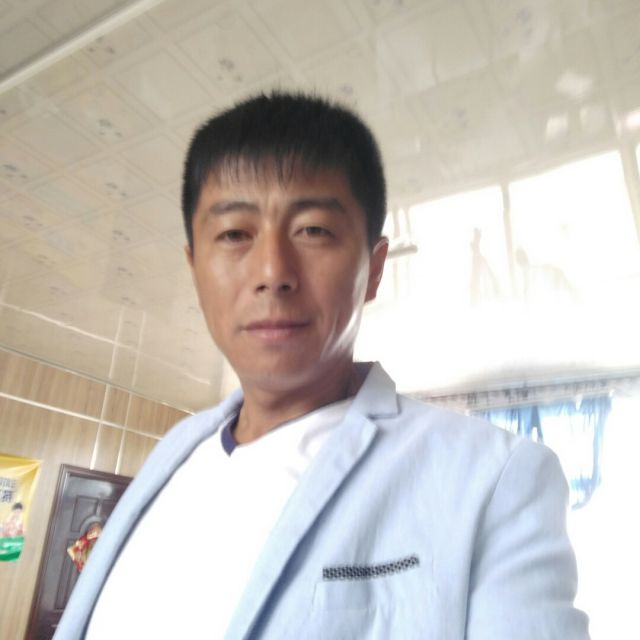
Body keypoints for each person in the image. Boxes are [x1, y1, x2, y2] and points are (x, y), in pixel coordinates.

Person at [55, 92, 589, 639]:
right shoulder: (173, 454)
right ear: (194, 267)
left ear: (373, 269)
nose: (272, 273)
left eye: (313, 230)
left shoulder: (491, 482)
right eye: (235, 234)